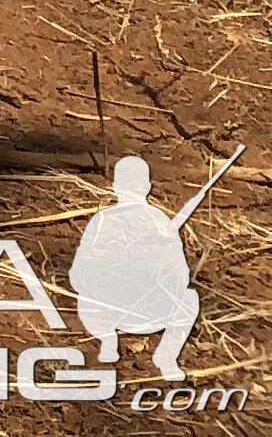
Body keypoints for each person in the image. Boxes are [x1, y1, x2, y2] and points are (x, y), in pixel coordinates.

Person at [71, 157, 203, 381]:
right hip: (153, 315)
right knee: (190, 298)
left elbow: (78, 274)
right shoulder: (160, 221)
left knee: (85, 297)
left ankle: (108, 339)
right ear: (147, 187)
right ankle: (167, 357)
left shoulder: (102, 220)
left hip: (108, 312)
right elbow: (182, 275)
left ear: (115, 187)